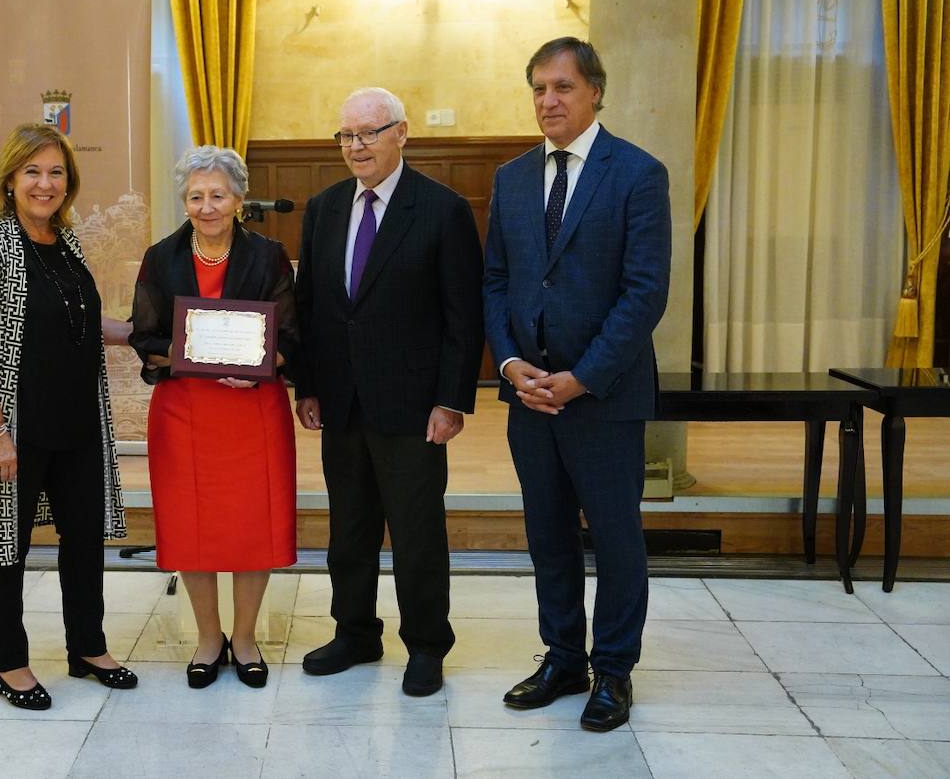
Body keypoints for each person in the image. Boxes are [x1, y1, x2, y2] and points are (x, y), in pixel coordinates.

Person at [483, 37, 671, 731]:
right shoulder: (511, 177)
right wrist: (510, 365)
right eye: (537, 88)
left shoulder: (638, 173)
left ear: (595, 91)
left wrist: (582, 377)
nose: (547, 100)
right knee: (548, 534)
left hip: (605, 396)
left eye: (561, 86)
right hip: (528, 396)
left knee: (616, 537)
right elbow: (496, 280)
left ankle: (613, 670)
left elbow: (645, 292)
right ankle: (564, 656)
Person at [292, 88, 484, 697]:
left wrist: (452, 400)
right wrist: (309, 385)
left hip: (413, 407)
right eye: (346, 135)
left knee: (417, 532)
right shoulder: (323, 209)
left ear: (402, 133)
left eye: (369, 133)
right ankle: (355, 633)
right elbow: (313, 308)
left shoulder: (442, 209)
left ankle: (426, 645)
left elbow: (463, 316)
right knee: (348, 529)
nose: (356, 146)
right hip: (341, 403)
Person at [0, 122, 137, 711]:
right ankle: (8, 662)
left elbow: (79, 325)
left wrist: (154, 337)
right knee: (2, 546)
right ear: (10, 178)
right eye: (33, 171)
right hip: (14, 425)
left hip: (78, 422)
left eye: (56, 172)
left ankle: (87, 646)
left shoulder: (68, 241)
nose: (45, 183)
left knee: (83, 541)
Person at [130, 145, 299, 690]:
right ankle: (208, 638)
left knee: (254, 522)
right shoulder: (161, 257)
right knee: (191, 525)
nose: (206, 206)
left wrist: (265, 363)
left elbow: (290, 334)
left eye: (217, 195)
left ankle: (245, 638)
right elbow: (144, 334)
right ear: (184, 199)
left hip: (253, 410)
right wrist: (195, 358)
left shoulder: (269, 255)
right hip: (186, 412)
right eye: (196, 196)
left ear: (239, 199)